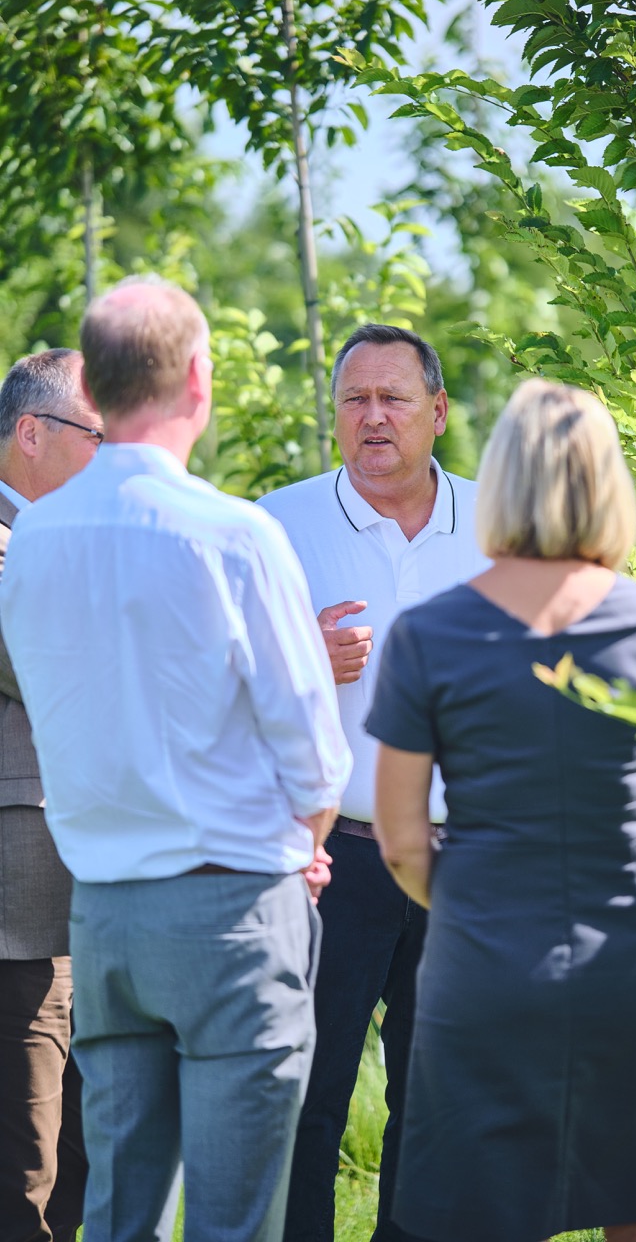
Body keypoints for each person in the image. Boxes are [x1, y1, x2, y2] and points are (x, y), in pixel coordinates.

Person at [0, 279, 352, 1242]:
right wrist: (306, 850)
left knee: (120, 1212)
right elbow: (316, 756)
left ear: (101, 389)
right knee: (235, 1220)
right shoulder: (236, 533)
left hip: (104, 914)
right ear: (198, 380)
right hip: (231, 906)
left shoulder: (28, 547)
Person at [366, 379, 636, 1242]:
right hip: (634, 956)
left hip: (482, 958)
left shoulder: (428, 632)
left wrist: (480, 900)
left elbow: (402, 841)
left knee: (479, 1212)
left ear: (498, 481)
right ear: (609, 483)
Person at [259, 323, 488, 1242]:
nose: (373, 417)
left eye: (394, 398)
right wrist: (299, 657)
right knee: (305, 1101)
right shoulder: (278, 523)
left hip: (463, 861)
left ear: (436, 411)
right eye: (355, 399)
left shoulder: (500, 522)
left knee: (435, 1106)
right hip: (329, 860)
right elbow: (211, 680)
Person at [0, 349, 100, 1242]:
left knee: (88, 1153)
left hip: (104, 899)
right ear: (31, 433)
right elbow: (39, 664)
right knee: (24, 1162)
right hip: (18, 910)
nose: (112, 456)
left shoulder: (80, 539)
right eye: (95, 435)